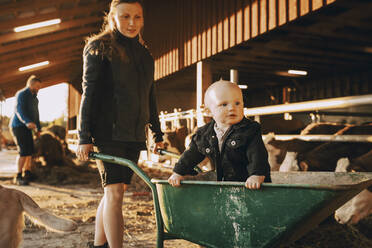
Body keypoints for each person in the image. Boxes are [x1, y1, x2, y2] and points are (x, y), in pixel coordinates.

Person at [76, 1, 163, 247]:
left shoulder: (145, 54)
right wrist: (84, 136)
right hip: (107, 133)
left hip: (134, 134)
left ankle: (99, 244)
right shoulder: (99, 47)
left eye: (137, 17)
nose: (132, 23)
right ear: (113, 17)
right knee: (114, 193)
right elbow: (88, 93)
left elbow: (150, 95)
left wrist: (157, 132)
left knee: (116, 191)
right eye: (125, 17)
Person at [168, 80, 271, 189]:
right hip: (223, 184)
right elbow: (190, 154)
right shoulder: (204, 133)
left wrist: (257, 174)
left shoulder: (250, 129)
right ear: (208, 111)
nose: (232, 108)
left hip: (249, 185)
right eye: (224, 104)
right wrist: (178, 172)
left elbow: (257, 154)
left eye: (237, 103)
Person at [9, 75, 42, 186]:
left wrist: (38, 129)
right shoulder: (21, 94)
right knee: (23, 151)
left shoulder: (35, 99)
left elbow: (36, 115)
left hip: (29, 127)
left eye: (39, 87)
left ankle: (26, 173)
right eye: (37, 86)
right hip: (18, 126)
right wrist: (27, 121)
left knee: (29, 151)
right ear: (31, 84)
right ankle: (18, 176)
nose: (38, 89)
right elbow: (19, 110)